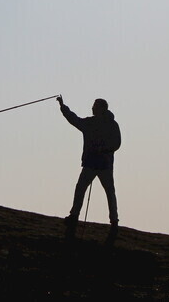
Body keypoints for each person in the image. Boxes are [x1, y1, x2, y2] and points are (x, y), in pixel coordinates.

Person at [57, 95, 121, 242]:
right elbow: (75, 120)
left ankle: (114, 221)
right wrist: (63, 107)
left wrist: (103, 149)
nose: (92, 108)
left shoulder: (111, 125)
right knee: (82, 189)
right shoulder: (93, 123)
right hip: (93, 163)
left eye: (95, 106)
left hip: (102, 165)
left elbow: (116, 143)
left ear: (101, 109)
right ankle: (74, 216)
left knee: (108, 192)